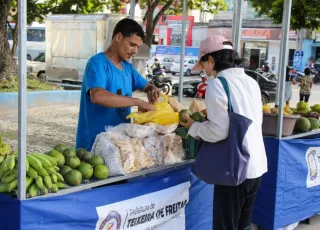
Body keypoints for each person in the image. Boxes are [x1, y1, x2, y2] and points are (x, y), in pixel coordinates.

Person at [180, 35, 268, 230]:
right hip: (256, 165)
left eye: (204, 63)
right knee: (243, 225)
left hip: (234, 168)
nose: (204, 69)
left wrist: (192, 127)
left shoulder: (218, 85)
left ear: (211, 60)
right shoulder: (251, 81)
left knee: (225, 225)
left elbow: (218, 131)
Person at [76, 18, 160, 151]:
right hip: (94, 145)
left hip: (119, 145)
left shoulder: (127, 68)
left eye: (137, 47)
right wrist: (137, 102)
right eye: (132, 44)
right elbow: (97, 96)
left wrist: (153, 89)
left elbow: (146, 85)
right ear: (119, 37)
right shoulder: (97, 63)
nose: (135, 51)